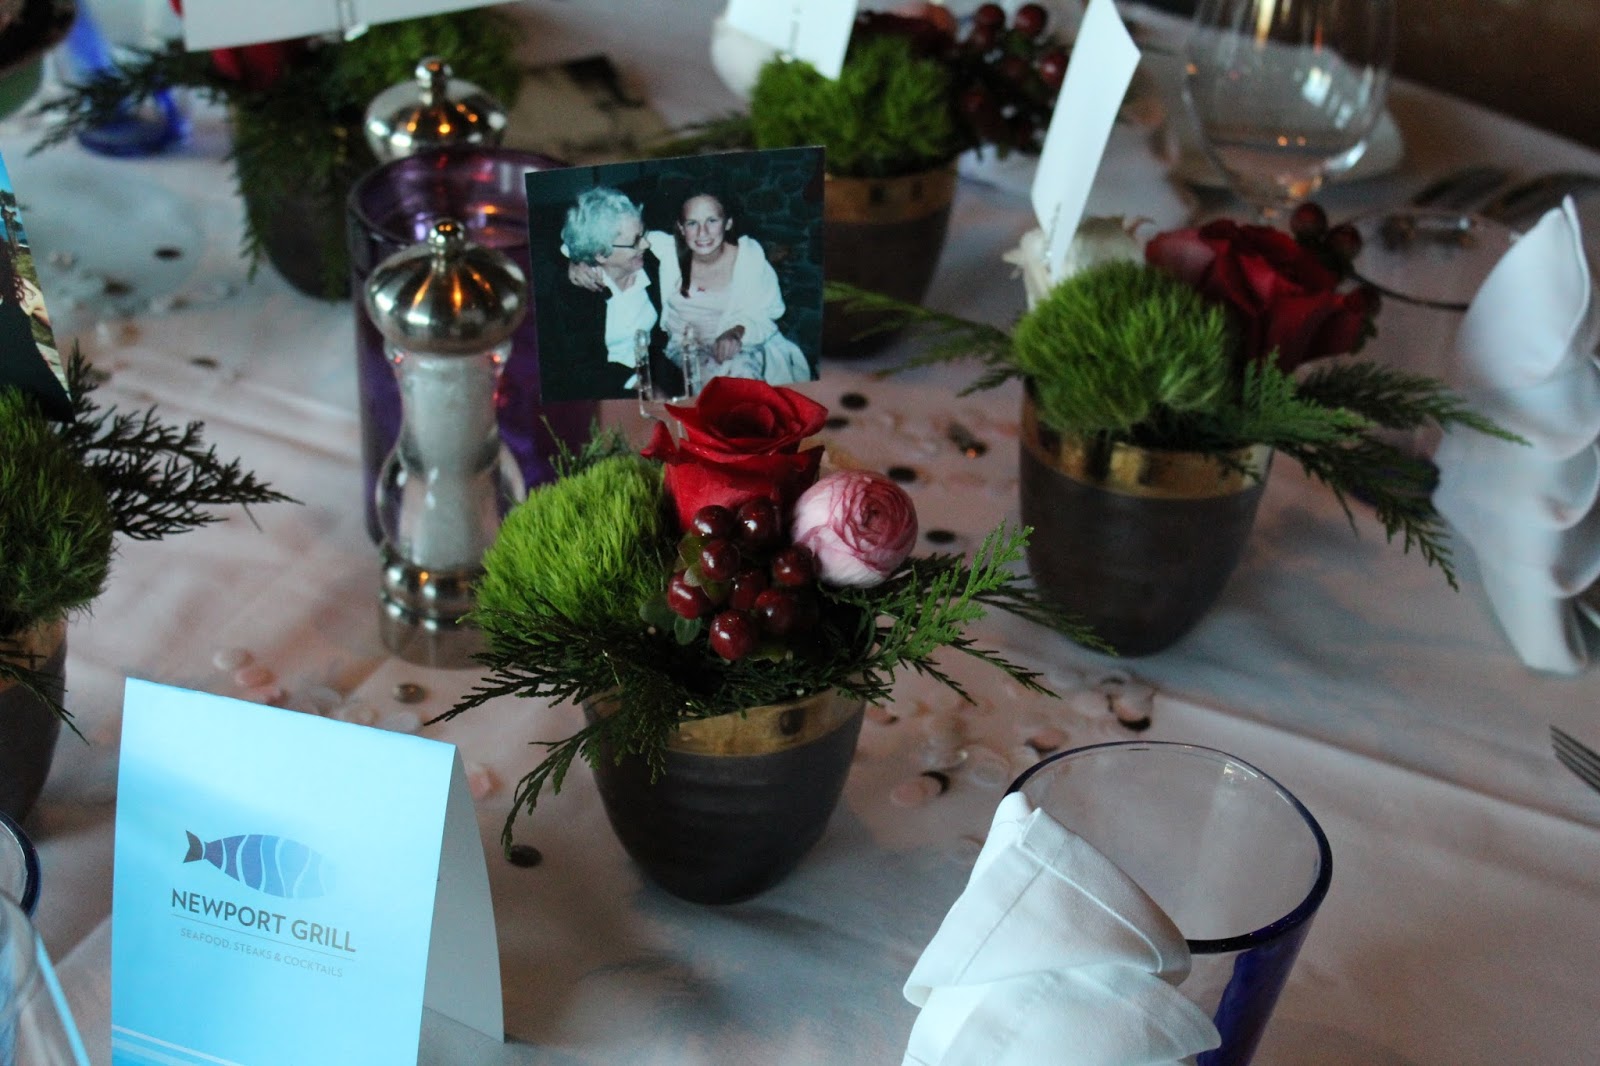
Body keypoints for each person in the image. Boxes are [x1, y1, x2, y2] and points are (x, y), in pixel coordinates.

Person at [567, 188, 810, 391]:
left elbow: (767, 313)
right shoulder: (665, 251)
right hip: (679, 353)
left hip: (738, 346)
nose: (702, 233)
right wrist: (572, 261)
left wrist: (736, 331)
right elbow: (587, 239)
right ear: (681, 228)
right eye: (692, 223)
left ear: (728, 222)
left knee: (740, 380)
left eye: (712, 221)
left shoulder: (749, 258)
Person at [543, 186, 680, 402]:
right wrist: (642, 385)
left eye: (643, 233)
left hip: (656, 372)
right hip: (605, 389)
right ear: (601, 254)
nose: (646, 244)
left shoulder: (652, 262)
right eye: (635, 241)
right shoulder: (576, 291)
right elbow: (581, 367)